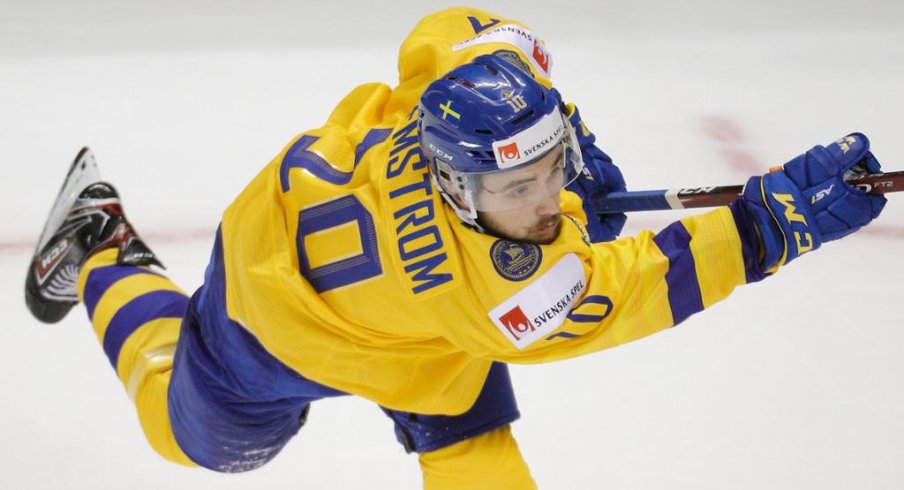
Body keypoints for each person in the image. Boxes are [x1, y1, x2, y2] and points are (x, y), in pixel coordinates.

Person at [24, 7, 887, 489]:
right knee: (200, 444)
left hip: (395, 314)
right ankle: (103, 241)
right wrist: (769, 225)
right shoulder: (503, 300)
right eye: (520, 191)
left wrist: (558, 125)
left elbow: (465, 29)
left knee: (479, 462)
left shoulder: (451, 98)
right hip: (279, 309)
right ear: (454, 185)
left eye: (553, 170)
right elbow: (644, 285)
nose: (550, 203)